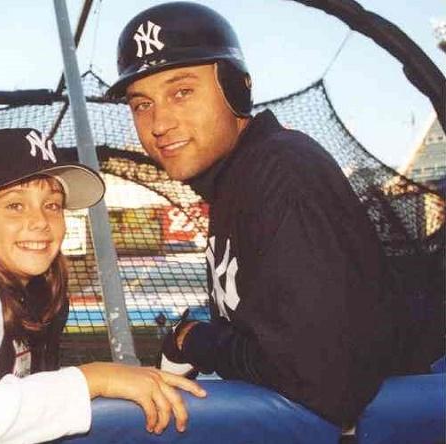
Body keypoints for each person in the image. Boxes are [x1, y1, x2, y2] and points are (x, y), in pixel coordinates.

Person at [108, 2, 422, 427]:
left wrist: (195, 339)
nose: (159, 122)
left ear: (236, 89)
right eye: (141, 104)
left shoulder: (280, 174)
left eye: (181, 91)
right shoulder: (235, 182)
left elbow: (320, 379)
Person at [0, 128, 206, 443]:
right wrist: (94, 378)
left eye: (52, 205)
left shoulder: (35, 291)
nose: (40, 221)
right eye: (15, 205)